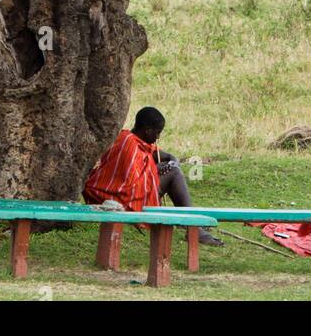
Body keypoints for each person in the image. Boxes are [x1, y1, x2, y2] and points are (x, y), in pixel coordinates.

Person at [82, 105, 223, 246]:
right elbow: (130, 185)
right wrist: (155, 171)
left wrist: (172, 159)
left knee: (174, 170)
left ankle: (191, 223)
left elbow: (156, 154)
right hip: (119, 196)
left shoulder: (134, 139)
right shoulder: (129, 144)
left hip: (124, 192)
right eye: (157, 133)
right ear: (147, 130)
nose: (158, 137)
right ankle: (194, 228)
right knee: (175, 173)